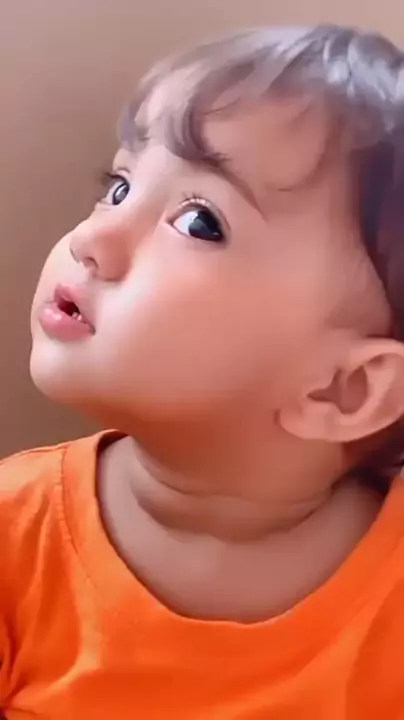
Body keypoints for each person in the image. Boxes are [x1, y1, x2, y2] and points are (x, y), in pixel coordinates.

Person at [1, 23, 404, 719]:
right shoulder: (13, 535)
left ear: (346, 389)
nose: (91, 238)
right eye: (120, 187)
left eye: (199, 223)